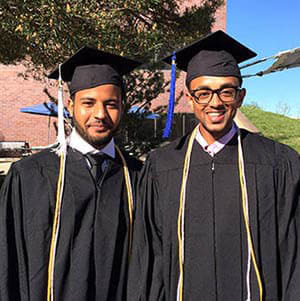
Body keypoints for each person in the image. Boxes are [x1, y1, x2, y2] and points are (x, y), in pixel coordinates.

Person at [128, 31, 300, 300]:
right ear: (189, 97)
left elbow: (294, 255)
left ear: (240, 97)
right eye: (204, 93)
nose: (215, 102)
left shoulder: (278, 163)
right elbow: (150, 258)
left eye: (226, 92)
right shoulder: (161, 167)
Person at [0, 46, 143, 300]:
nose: (100, 114)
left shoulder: (139, 178)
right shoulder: (30, 176)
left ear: (122, 106)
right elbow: (8, 263)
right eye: (88, 103)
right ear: (70, 104)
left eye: (110, 104)